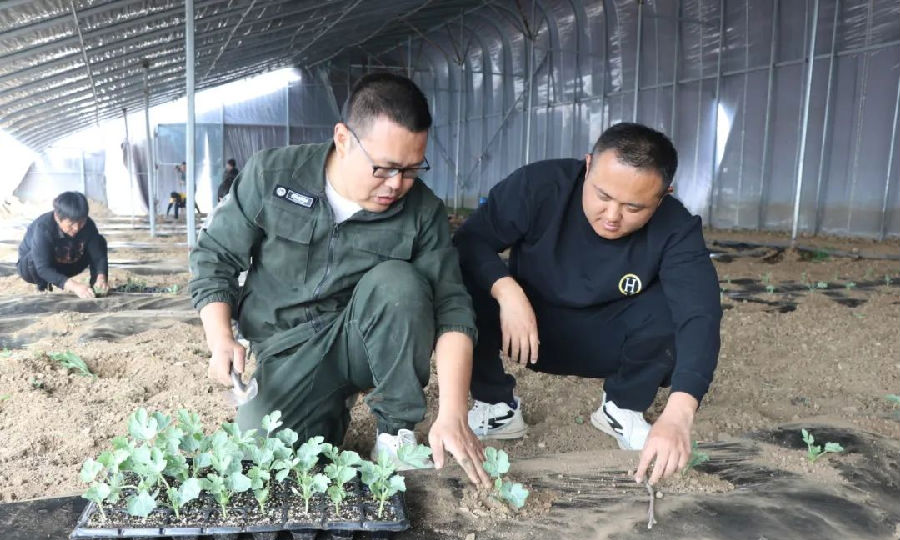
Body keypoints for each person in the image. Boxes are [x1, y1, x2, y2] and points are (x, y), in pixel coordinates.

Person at [189, 73, 491, 486]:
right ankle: (324, 411)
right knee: (262, 461)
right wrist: (220, 338)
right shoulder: (274, 175)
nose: (396, 185)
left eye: (411, 170)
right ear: (344, 138)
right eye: (384, 168)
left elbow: (453, 306)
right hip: (286, 349)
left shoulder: (422, 211)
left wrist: (454, 413)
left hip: (363, 344)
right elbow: (214, 257)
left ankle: (394, 433)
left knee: (399, 284)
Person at [453, 122, 722, 485]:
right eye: (603, 196)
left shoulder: (677, 227)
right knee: (465, 280)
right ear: (588, 165)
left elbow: (699, 313)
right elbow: (470, 241)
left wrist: (678, 414)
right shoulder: (539, 185)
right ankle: (496, 406)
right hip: (526, 330)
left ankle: (622, 407)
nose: (612, 216)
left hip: (608, 339)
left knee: (675, 304)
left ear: (664, 196)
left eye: (633, 207)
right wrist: (507, 290)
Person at [17, 191, 109, 299]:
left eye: (81, 222)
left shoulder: (88, 225)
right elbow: (43, 267)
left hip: (67, 264)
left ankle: (96, 285)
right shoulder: (43, 227)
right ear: (57, 217)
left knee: (99, 241)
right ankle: (42, 287)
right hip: (33, 269)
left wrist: (101, 276)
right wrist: (75, 286)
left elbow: (98, 257)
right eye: (71, 224)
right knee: (35, 256)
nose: (76, 228)